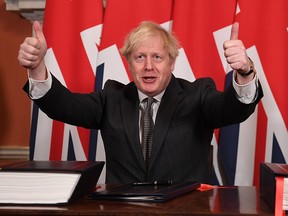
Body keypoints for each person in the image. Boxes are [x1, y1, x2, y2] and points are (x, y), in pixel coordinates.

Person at [18, 21, 263, 184]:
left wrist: (244, 71)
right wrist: (38, 67)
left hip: (186, 211)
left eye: (157, 57)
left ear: (171, 63)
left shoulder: (198, 95)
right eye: (140, 57)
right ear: (129, 63)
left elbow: (233, 109)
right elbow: (65, 105)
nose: (148, 66)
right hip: (124, 210)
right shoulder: (111, 98)